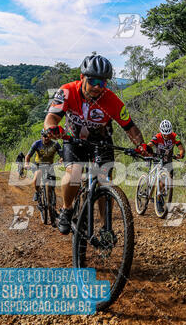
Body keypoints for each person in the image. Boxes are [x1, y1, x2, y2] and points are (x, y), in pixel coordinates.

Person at [44, 54, 151, 235]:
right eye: (92, 80)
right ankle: (67, 209)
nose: (96, 87)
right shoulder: (67, 91)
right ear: (82, 78)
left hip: (102, 142)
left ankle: (104, 228)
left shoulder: (111, 100)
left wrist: (142, 146)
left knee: (103, 180)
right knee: (75, 172)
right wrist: (52, 128)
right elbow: (52, 117)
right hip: (73, 139)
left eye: (101, 83)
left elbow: (130, 126)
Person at [25, 129, 63, 227]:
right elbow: (28, 156)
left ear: (50, 136)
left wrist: (61, 160)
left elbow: (62, 155)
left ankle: (52, 201)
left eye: (48, 136)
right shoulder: (36, 144)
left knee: (52, 186)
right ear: (42, 136)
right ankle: (37, 193)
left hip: (50, 165)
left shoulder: (55, 144)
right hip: (39, 165)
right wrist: (26, 163)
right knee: (37, 178)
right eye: (44, 136)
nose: (46, 138)